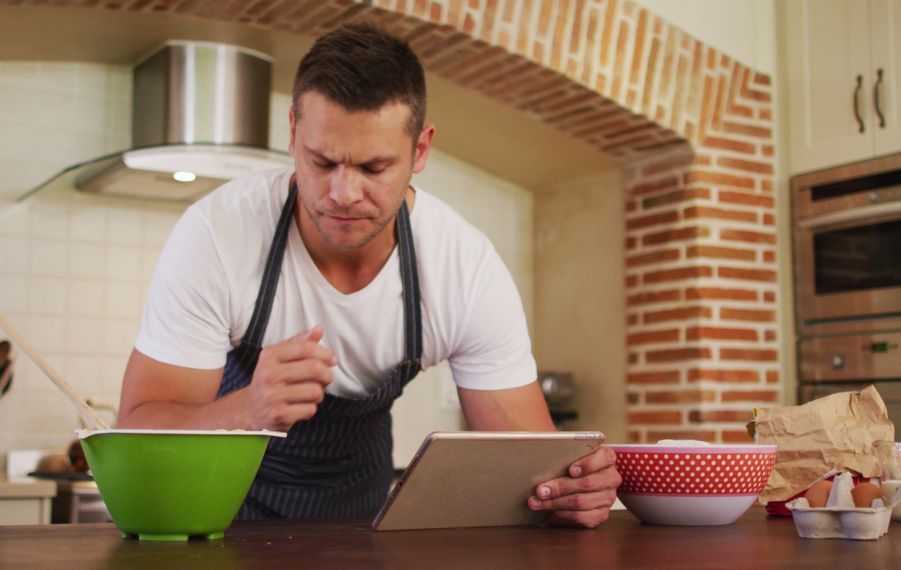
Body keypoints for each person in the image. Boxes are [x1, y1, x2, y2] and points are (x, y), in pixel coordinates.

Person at [117, 23, 621, 528]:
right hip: (216, 518)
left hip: (359, 520)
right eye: (323, 161)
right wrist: (246, 411)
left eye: (374, 167)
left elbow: (534, 466)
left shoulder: (463, 267)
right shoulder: (216, 234)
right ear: (293, 133)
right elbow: (136, 432)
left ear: (420, 151)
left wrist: (573, 488)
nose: (343, 193)